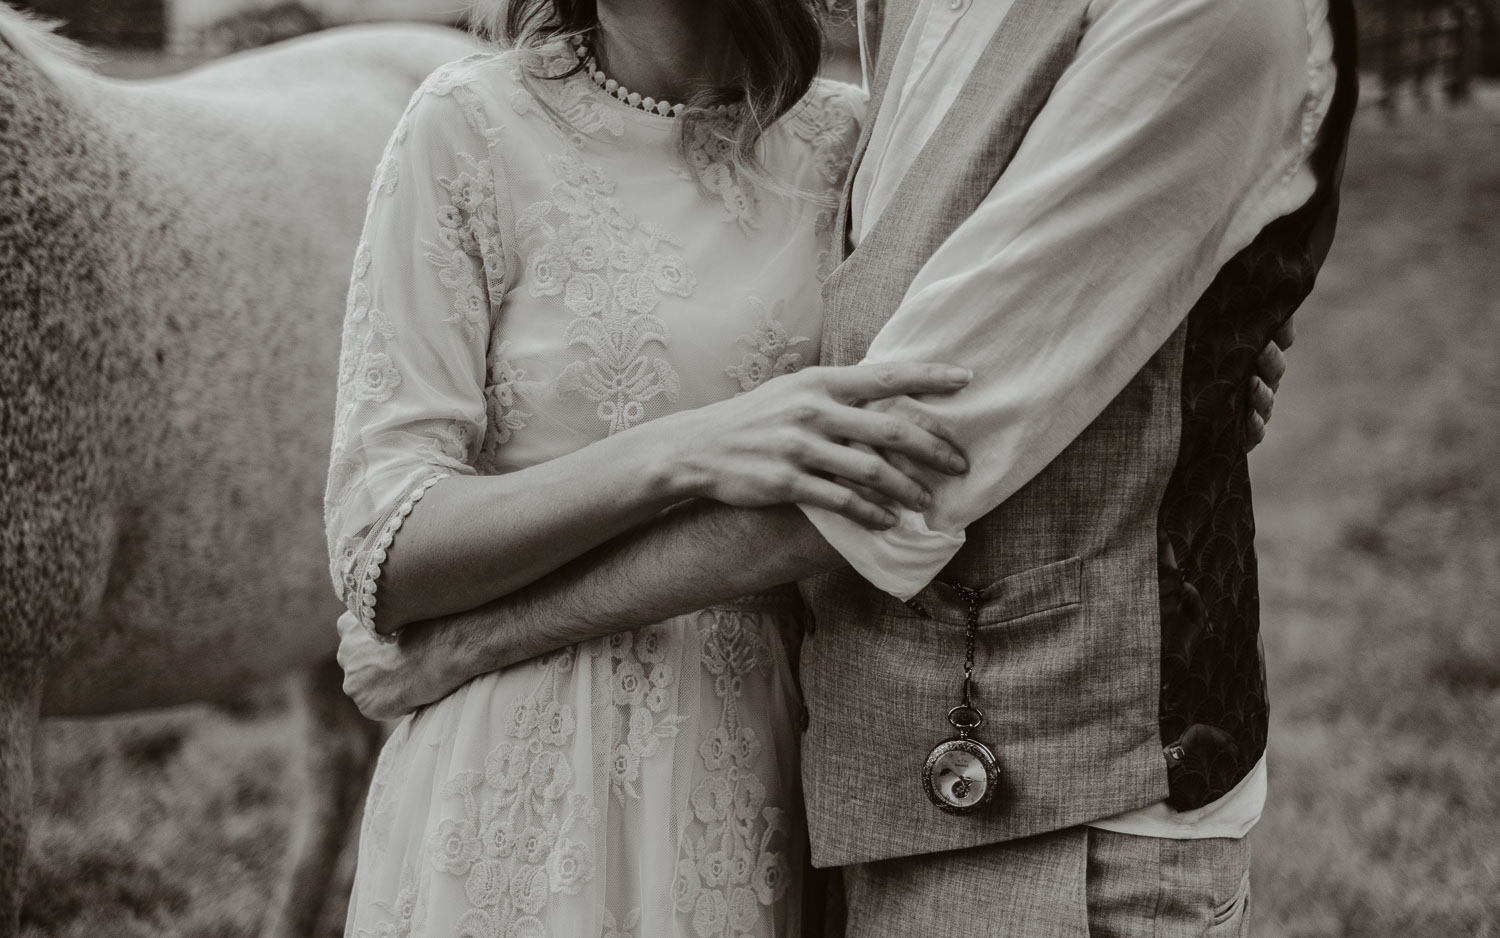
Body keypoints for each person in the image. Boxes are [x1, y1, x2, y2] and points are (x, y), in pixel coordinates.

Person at [330, 0, 1327, 933]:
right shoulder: (464, 128)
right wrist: (685, 449)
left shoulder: (851, 145)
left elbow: (983, 399)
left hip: (775, 755)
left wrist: (1172, 369)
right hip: (518, 765)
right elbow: (385, 545)